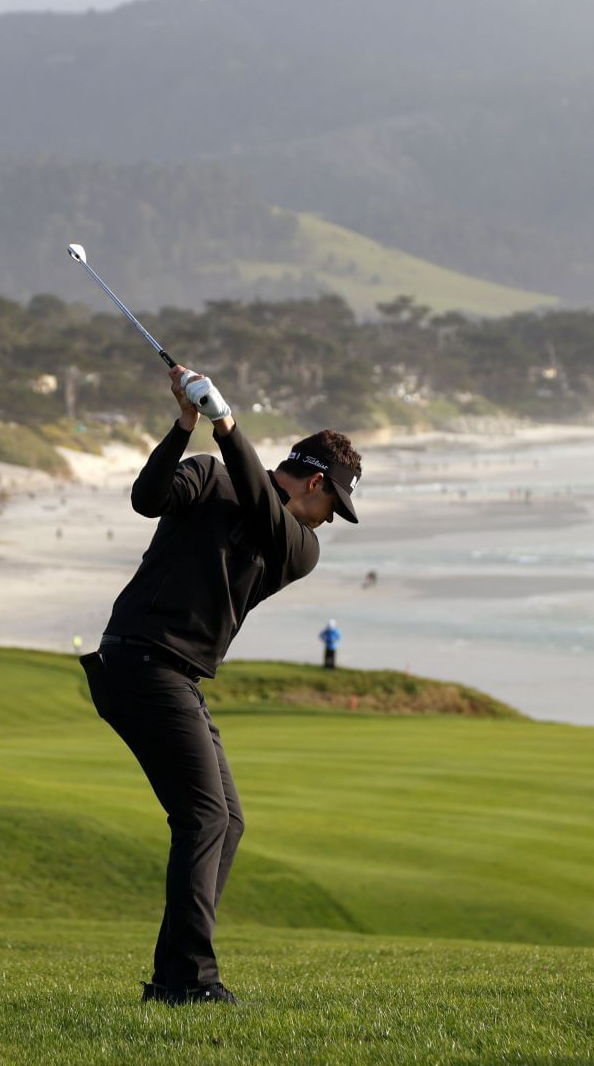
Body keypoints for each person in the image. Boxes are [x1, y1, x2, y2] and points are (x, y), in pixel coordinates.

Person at [82, 364, 362, 1007]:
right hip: (139, 663)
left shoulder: (297, 547)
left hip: (174, 675)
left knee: (226, 820)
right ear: (316, 483)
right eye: (331, 506)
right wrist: (187, 424)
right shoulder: (208, 474)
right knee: (204, 815)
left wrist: (227, 425)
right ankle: (186, 981)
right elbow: (147, 498)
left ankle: (177, 974)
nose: (326, 521)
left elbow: (263, 507)